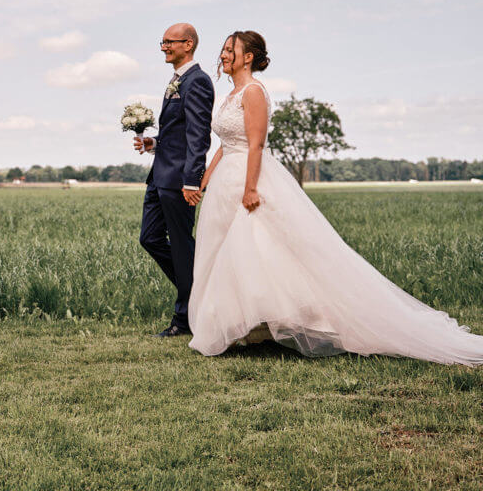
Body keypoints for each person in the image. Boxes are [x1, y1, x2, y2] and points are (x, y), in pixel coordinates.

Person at [187, 30, 483, 365]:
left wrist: (251, 188)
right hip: (225, 182)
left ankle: (304, 320)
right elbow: (225, 145)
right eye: (224, 50)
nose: (223, 55)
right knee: (227, 253)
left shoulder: (254, 92)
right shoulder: (230, 95)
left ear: (248, 56)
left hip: (249, 178)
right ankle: (243, 327)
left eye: (230, 50)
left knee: (260, 250)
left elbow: (255, 144)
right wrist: (205, 180)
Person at [133, 23, 214, 337]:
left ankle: (185, 319)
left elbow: (198, 136)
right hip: (159, 175)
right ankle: (198, 289)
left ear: (188, 44)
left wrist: (193, 180)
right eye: (162, 42)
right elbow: (178, 133)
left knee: (181, 247)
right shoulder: (177, 80)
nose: (164, 47)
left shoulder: (198, 81)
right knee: (149, 238)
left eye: (169, 42)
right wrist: (155, 143)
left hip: (180, 180)